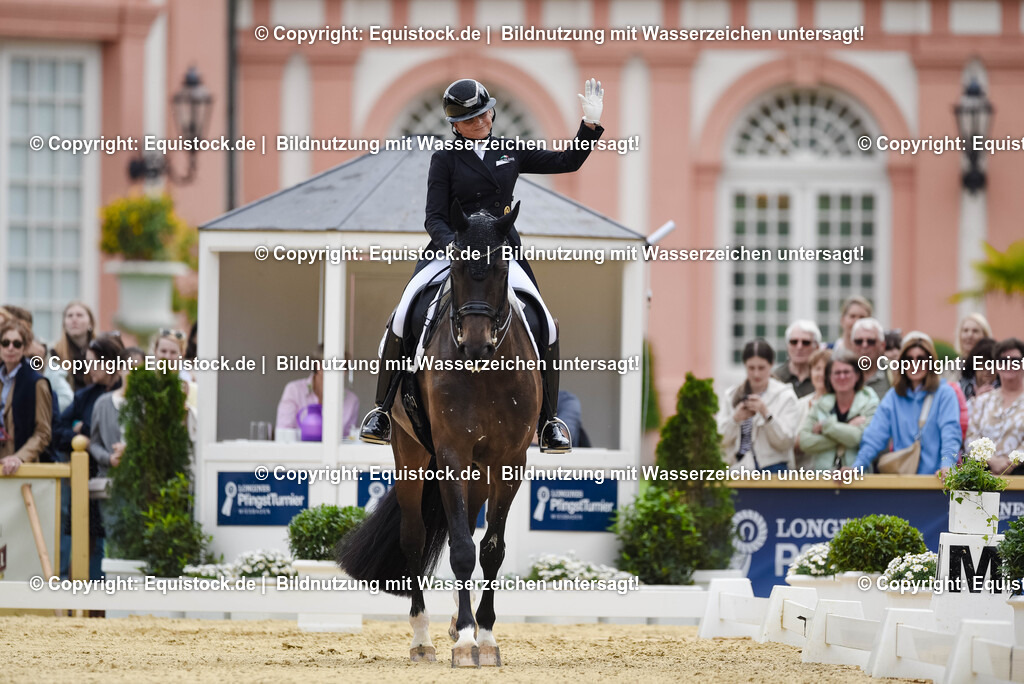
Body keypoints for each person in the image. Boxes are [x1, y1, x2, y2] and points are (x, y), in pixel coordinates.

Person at [359, 77, 607, 454]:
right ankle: (381, 410)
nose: (480, 122)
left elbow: (567, 162)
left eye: (484, 114)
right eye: (470, 119)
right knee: (403, 312)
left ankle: (549, 421)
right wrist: (453, 245)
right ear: (455, 125)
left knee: (545, 321)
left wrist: (589, 126)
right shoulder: (444, 159)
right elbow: (433, 216)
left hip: (500, 251)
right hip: (453, 249)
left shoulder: (510, 150)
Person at [852, 332, 962, 476]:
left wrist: (947, 466)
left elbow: (951, 434)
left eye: (921, 359)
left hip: (936, 480)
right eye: (908, 359)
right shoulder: (894, 396)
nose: (914, 364)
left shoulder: (945, 394)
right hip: (904, 480)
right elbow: (874, 436)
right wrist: (857, 467)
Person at [717, 339, 801, 472]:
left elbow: (786, 442)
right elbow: (720, 440)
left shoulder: (785, 396)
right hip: (739, 468)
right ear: (745, 365)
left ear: (771, 365)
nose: (756, 374)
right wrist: (735, 419)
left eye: (761, 368)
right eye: (751, 368)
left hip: (775, 469)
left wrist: (766, 414)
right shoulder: (731, 395)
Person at [798, 350, 879, 470]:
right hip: (824, 476)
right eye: (837, 373)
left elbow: (861, 438)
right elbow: (804, 442)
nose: (842, 377)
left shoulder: (869, 401)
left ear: (857, 375)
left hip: (857, 475)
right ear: (829, 377)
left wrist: (826, 426)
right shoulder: (820, 404)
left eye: (846, 372)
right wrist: (847, 428)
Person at [0, 320, 54, 475]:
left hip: (22, 468)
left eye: (17, 344)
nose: (10, 348)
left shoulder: (36, 382)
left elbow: (43, 433)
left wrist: (19, 457)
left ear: (24, 348)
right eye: (5, 343)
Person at [965, 338, 1024, 474]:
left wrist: (1010, 463)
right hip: (984, 476)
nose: (1009, 364)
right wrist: (992, 461)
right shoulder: (983, 401)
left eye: (1015, 360)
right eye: (1003, 361)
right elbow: (971, 438)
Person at [276, 364, 360, 440]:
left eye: (343, 367)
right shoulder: (294, 390)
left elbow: (349, 439)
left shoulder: (352, 400)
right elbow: (283, 434)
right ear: (318, 366)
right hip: (297, 451)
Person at [793, 348, 831, 468]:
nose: (821, 374)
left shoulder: (841, 403)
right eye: (817, 369)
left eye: (826, 369)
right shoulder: (799, 404)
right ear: (810, 372)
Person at [51, 301, 96, 392]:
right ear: (64, 324)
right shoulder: (54, 354)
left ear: (90, 323)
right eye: (69, 316)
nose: (74, 319)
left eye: (79, 315)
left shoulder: (101, 352)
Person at [773, 320, 820, 398]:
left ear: (817, 347)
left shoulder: (823, 379)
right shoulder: (776, 378)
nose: (799, 347)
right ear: (787, 346)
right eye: (794, 342)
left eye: (806, 342)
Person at [850, 317, 890, 400]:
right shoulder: (841, 374)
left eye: (871, 341)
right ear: (852, 345)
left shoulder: (894, 374)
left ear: (882, 346)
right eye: (859, 341)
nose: (864, 345)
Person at [960, 337, 999, 401]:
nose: (988, 369)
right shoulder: (962, 387)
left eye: (992, 364)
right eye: (983, 363)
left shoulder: (1006, 387)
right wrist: (976, 400)